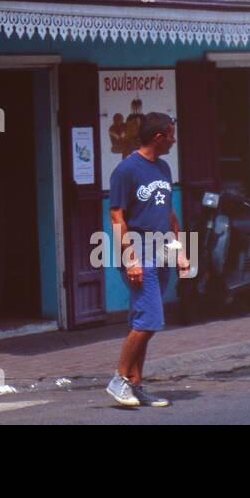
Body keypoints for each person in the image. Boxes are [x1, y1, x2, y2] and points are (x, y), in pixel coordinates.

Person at [106, 112, 189, 408]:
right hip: (139, 251)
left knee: (142, 320)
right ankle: (119, 379)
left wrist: (179, 251)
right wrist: (131, 260)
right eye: (171, 134)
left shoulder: (164, 168)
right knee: (150, 320)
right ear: (159, 136)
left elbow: (169, 213)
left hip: (162, 249)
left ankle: (136, 385)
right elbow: (116, 215)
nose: (174, 139)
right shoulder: (126, 170)